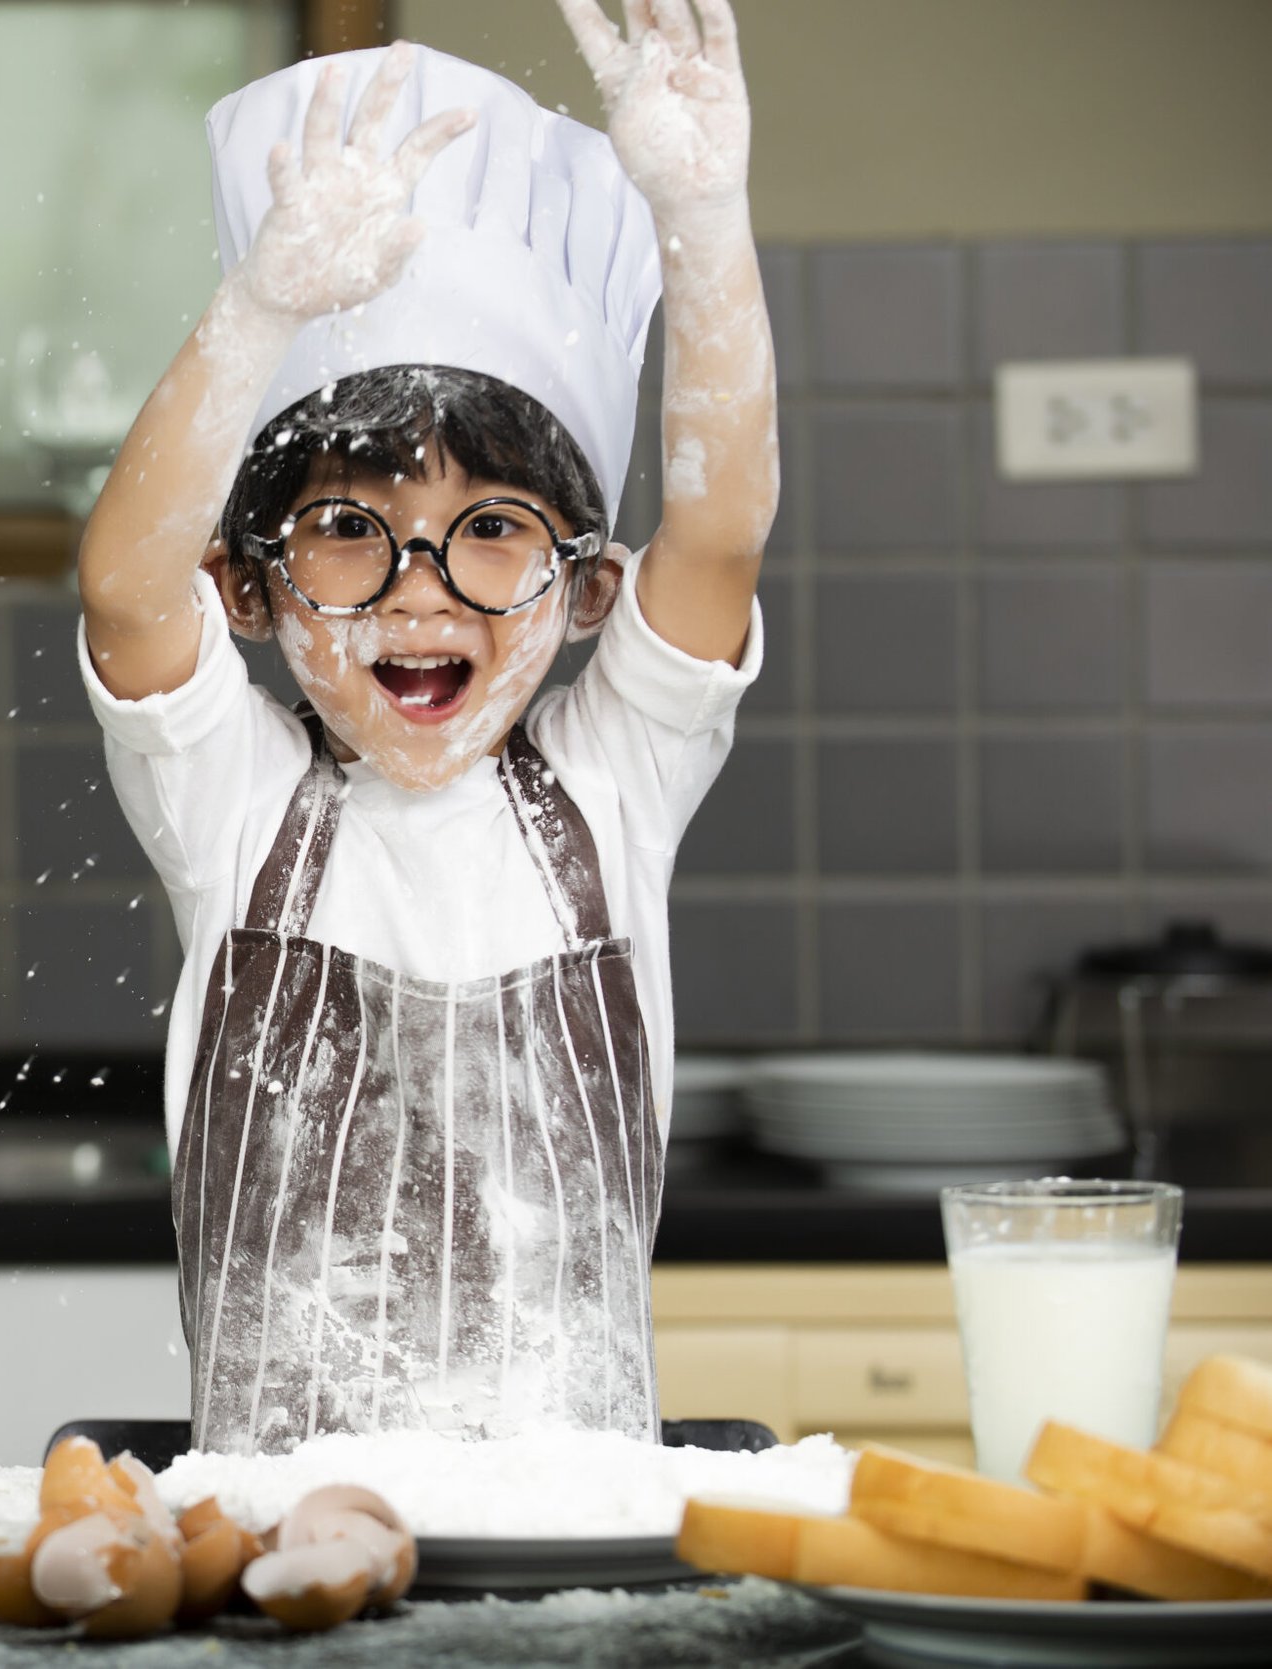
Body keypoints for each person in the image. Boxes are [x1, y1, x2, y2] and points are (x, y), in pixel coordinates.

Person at [76, 2, 774, 1454]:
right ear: (249, 589)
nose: (418, 595)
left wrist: (703, 219)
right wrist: (260, 307)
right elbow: (121, 581)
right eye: (346, 529)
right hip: (278, 1543)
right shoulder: (237, 809)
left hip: (581, 1553)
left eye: (491, 532)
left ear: (589, 589)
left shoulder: (616, 786)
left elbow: (717, 526)